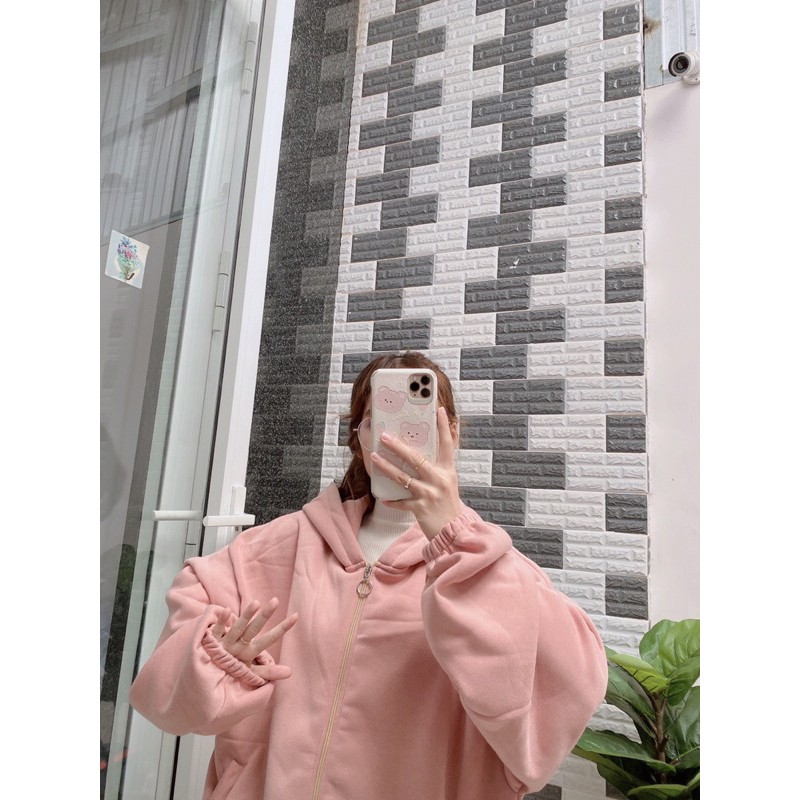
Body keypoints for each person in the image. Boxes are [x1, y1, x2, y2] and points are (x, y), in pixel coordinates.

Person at [129, 351, 608, 800]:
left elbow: (563, 691)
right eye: (379, 421)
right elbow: (167, 693)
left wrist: (455, 534)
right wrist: (216, 660)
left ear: (452, 433)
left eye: (420, 422)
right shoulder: (276, 548)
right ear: (359, 437)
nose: (399, 437)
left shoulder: (487, 568)